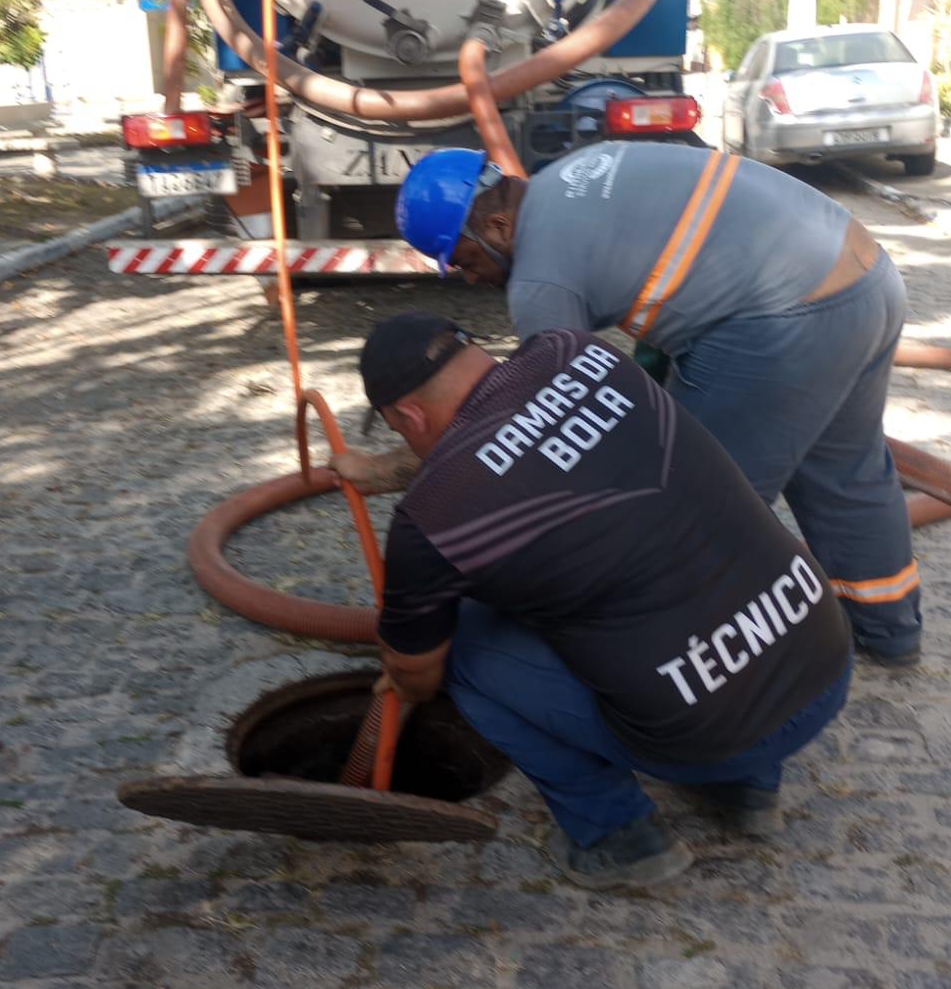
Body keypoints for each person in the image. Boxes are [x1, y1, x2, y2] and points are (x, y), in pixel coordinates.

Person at [370, 142, 920, 668]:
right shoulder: (573, 174)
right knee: (847, 468)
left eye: (464, 259)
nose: (469, 276)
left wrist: (406, 471)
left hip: (784, 321)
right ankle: (888, 631)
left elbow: (546, 423)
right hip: (866, 277)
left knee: (695, 503)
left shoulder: (539, 279)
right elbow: (673, 260)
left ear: (496, 226)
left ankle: (739, 671)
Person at [357, 312, 853, 888]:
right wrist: (390, 470)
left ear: (408, 416)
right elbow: (527, 445)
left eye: (398, 431)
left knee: (462, 647)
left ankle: (620, 837)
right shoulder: (578, 352)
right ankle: (746, 790)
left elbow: (416, 674)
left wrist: (400, 672)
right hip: (823, 661)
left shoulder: (431, 523)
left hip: (707, 736)